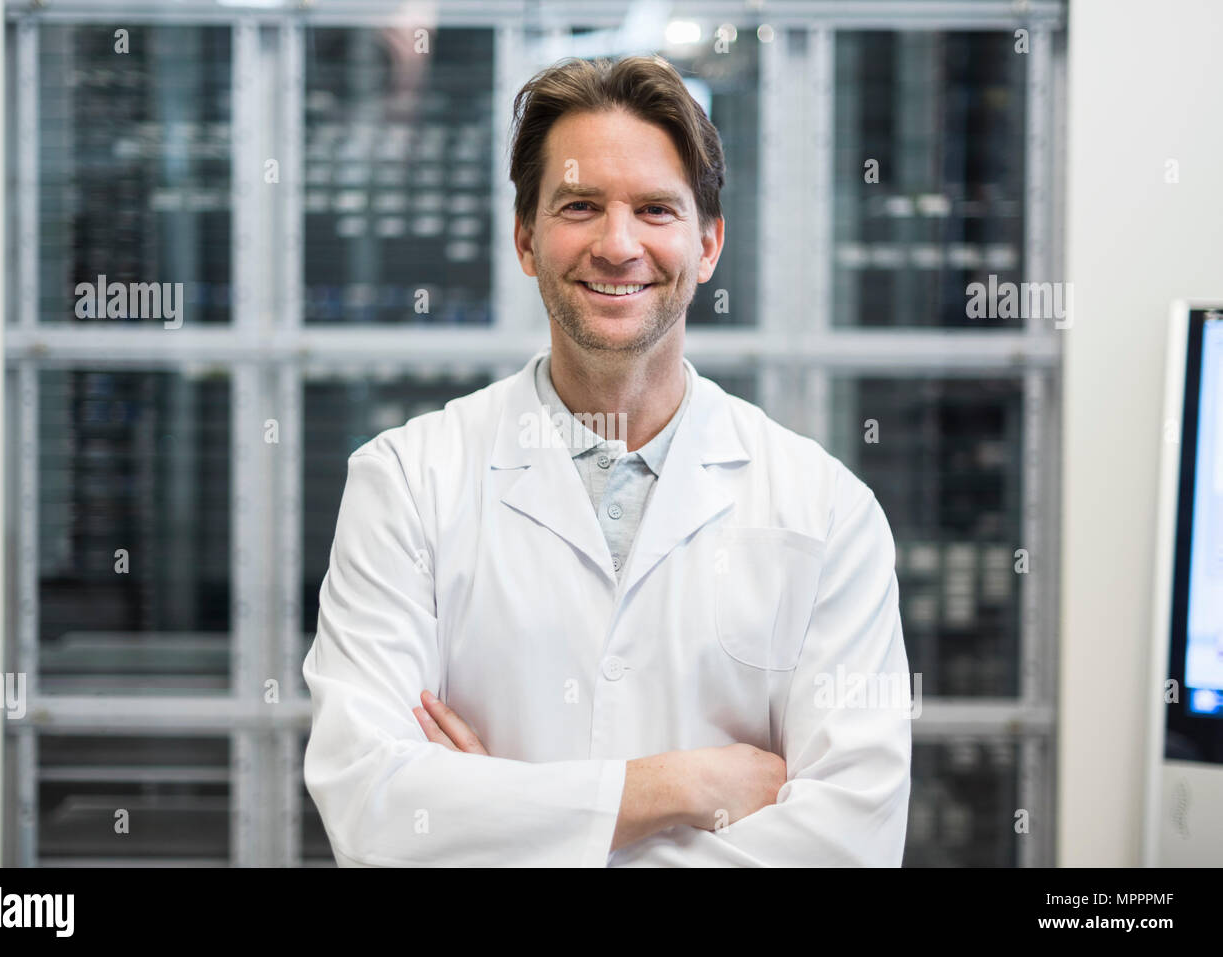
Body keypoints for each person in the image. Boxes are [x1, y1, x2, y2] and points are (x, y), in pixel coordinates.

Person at [302, 54, 912, 867]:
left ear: (708, 243)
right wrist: (671, 787)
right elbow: (373, 806)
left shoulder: (826, 512)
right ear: (526, 238)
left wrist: (505, 821)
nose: (618, 245)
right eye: (580, 206)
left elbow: (850, 842)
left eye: (655, 209)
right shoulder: (408, 482)